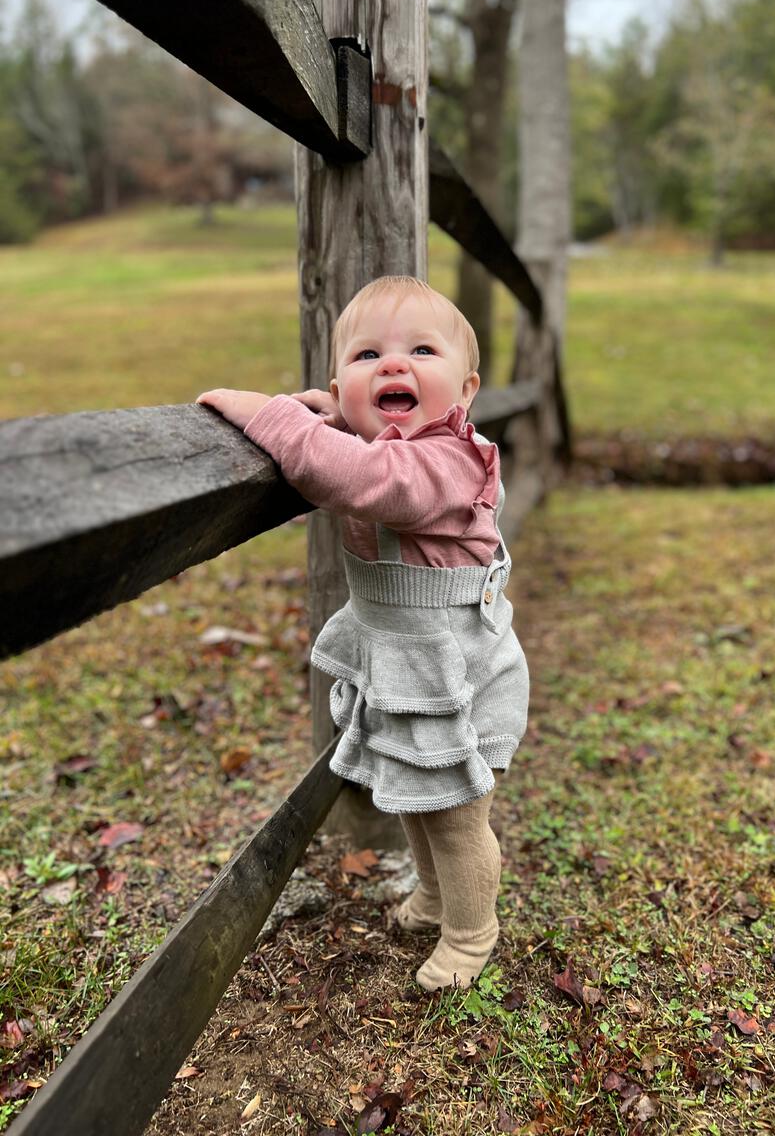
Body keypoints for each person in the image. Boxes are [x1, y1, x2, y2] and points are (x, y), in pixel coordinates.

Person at [196, 275, 529, 990]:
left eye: (421, 350)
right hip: (403, 662)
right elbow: (352, 454)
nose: (393, 365)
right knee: (410, 788)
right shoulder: (378, 443)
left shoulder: (448, 459)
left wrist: (274, 416)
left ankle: (472, 935)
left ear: (465, 391)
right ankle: (437, 896)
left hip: (454, 675)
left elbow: (363, 479)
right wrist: (331, 419)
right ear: (341, 384)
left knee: (455, 815)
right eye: (366, 355)